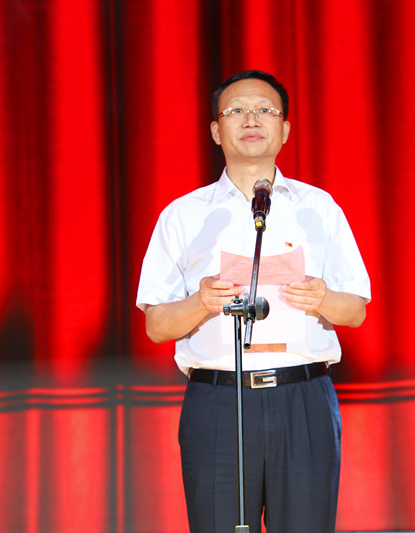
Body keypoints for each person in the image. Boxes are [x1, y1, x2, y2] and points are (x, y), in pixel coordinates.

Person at [136, 70, 371, 533]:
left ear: (284, 130)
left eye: (265, 110)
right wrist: (201, 301)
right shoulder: (183, 215)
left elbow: (356, 311)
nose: (251, 119)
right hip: (218, 401)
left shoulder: (318, 208)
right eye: (237, 110)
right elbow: (157, 326)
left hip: (303, 398)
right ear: (215, 130)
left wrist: (323, 298)